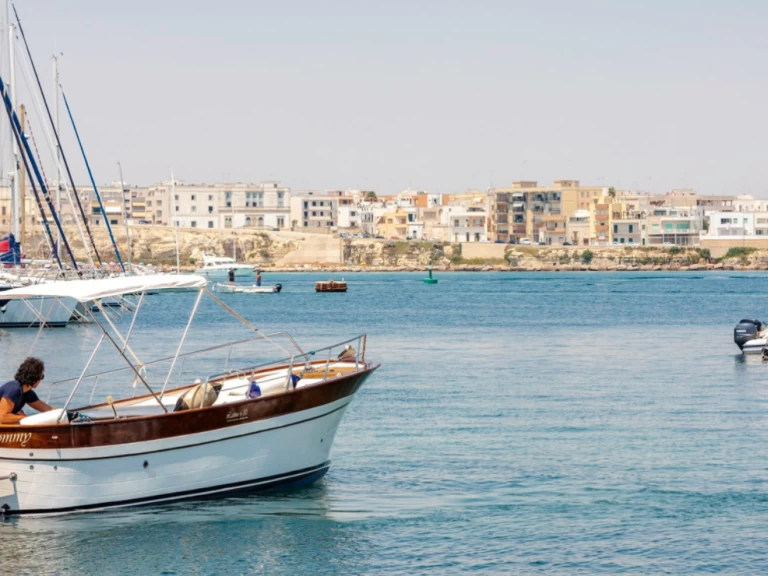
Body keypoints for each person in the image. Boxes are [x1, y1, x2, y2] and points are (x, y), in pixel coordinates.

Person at [0, 357, 54, 425]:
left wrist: (66, 414)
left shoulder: (28, 393)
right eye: (41, 377)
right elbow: (2, 416)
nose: (41, 380)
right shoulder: (13, 390)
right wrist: (26, 418)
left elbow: (48, 409)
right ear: (34, 378)